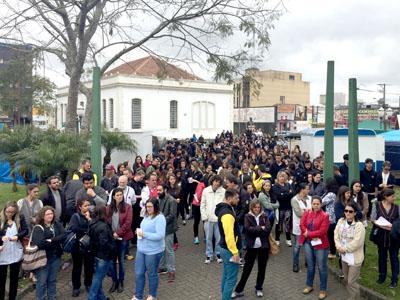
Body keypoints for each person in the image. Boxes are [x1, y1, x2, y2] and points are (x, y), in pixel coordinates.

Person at [231, 199, 270, 298]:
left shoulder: (264, 216)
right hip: (251, 247)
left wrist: (257, 229)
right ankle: (238, 290)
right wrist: (260, 228)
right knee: (247, 269)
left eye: (258, 207)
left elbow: (267, 230)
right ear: (251, 207)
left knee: (262, 269)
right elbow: (248, 230)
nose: (257, 209)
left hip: (263, 247)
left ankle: (259, 288)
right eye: (255, 207)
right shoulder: (247, 216)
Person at [132, 198, 166, 300]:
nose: (148, 209)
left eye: (150, 206)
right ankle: (138, 296)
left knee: (152, 274)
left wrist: (144, 234)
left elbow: (160, 235)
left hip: (153, 251)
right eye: (147, 206)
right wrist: (138, 232)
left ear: (156, 206)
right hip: (141, 249)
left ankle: (152, 295)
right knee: (139, 273)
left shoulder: (160, 218)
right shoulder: (146, 215)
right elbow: (145, 229)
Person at [31, 206, 65, 300]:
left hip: (55, 257)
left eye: (51, 213)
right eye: (48, 214)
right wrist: (54, 241)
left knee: (52, 280)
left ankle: (52, 297)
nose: (50, 216)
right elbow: (40, 243)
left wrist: (52, 240)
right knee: (42, 282)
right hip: (43, 259)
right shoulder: (39, 228)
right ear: (42, 216)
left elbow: (64, 235)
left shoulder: (56, 224)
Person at [299, 196, 329, 300]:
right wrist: (306, 233)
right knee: (310, 266)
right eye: (314, 203)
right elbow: (301, 224)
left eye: (317, 204)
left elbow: (323, 231)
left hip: (321, 245)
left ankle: (323, 290)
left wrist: (308, 233)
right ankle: (309, 285)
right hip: (308, 243)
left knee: (322, 267)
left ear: (321, 205)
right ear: (311, 204)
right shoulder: (307, 212)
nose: (315, 205)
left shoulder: (325, 216)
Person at [334, 202, 366, 300]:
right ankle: (356, 297)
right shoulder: (341, 221)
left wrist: (344, 249)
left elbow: (357, 242)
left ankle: (352, 298)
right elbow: (336, 235)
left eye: (350, 211)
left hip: (354, 258)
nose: (347, 213)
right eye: (346, 211)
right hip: (344, 257)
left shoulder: (359, 225)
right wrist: (338, 247)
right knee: (348, 280)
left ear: (355, 213)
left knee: (351, 282)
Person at [370, 189, 400, 288]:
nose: (394, 198)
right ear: (386, 197)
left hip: (394, 238)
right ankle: (382, 277)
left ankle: (394, 279)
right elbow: (372, 219)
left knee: (394, 258)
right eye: (392, 196)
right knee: (382, 257)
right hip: (381, 236)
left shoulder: (397, 207)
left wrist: (393, 226)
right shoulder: (377, 205)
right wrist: (381, 225)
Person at [215, 188, 241, 300]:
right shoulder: (227, 214)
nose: (238, 200)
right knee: (231, 279)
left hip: (224, 248)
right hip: (229, 250)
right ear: (229, 198)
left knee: (226, 275)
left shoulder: (225, 209)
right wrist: (235, 252)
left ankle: (224, 296)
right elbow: (229, 236)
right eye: (236, 198)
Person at [0, 201, 28, 300]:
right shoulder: (0, 219)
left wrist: (17, 236)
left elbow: (25, 230)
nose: (9, 214)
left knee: (14, 279)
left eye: (12, 212)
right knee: (1, 280)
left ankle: (12, 297)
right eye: (8, 212)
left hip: (16, 251)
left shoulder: (20, 218)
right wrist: (1, 238)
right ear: (4, 210)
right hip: (2, 252)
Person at [87, 206, 116, 300]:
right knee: (98, 279)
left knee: (97, 277)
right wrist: (112, 248)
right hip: (103, 256)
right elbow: (104, 243)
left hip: (95, 254)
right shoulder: (103, 226)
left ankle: (101, 297)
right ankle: (92, 297)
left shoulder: (92, 223)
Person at [68, 198, 94, 297]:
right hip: (77, 246)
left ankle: (88, 284)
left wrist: (89, 219)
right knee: (77, 267)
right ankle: (76, 287)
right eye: (85, 206)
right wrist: (85, 231)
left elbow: (95, 227)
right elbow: (73, 228)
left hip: (89, 245)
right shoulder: (75, 216)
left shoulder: (91, 215)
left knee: (89, 267)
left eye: (88, 205)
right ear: (80, 207)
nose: (88, 207)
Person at [200, 175, 225, 263]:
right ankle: (209, 254)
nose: (217, 183)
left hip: (218, 219)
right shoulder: (206, 190)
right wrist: (204, 217)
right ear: (212, 181)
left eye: (219, 182)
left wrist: (222, 217)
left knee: (219, 238)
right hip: (208, 219)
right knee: (208, 238)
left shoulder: (223, 191)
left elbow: (224, 205)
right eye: (215, 181)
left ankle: (218, 254)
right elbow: (202, 204)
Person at [157, 184, 177, 282]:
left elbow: (172, 215)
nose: (158, 192)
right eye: (157, 190)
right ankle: (162, 267)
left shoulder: (172, 200)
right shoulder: (159, 199)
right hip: (161, 228)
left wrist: (161, 221)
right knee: (161, 248)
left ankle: (171, 271)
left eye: (160, 190)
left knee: (169, 250)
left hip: (168, 229)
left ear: (165, 190)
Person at [291, 182, 311, 273]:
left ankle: (308, 262)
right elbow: (299, 213)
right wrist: (309, 212)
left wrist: (305, 211)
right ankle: (295, 264)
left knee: (309, 245)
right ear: (302, 190)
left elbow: (315, 210)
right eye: (307, 189)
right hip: (299, 227)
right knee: (297, 246)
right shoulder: (294, 200)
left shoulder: (310, 198)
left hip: (309, 226)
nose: (309, 190)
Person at [272, 171, 294, 246]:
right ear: (278, 177)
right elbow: (279, 197)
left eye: (284, 176)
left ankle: (288, 239)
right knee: (279, 224)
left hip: (288, 207)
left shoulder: (288, 185)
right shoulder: (275, 186)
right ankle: (277, 239)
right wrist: (287, 193)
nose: (282, 178)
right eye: (281, 176)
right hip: (279, 208)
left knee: (287, 224)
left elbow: (292, 193)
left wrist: (283, 194)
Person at [322, 178, 340, 259]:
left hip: (330, 218)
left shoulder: (331, 194)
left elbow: (322, 202)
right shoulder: (332, 193)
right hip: (331, 217)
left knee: (331, 235)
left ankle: (333, 252)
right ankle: (332, 250)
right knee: (330, 235)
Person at [192, 177, 206, 244]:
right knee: (204, 221)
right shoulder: (204, 186)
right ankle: (205, 237)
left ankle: (196, 237)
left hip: (195, 204)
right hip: (200, 205)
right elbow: (200, 196)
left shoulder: (199, 184)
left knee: (196, 222)